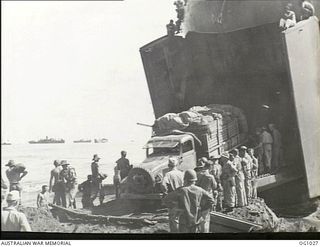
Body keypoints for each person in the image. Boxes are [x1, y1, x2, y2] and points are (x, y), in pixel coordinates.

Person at [194, 160, 217, 233]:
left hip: (198, 197)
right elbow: (214, 186)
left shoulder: (197, 174)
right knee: (205, 217)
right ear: (210, 166)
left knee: (198, 215)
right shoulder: (210, 176)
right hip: (207, 198)